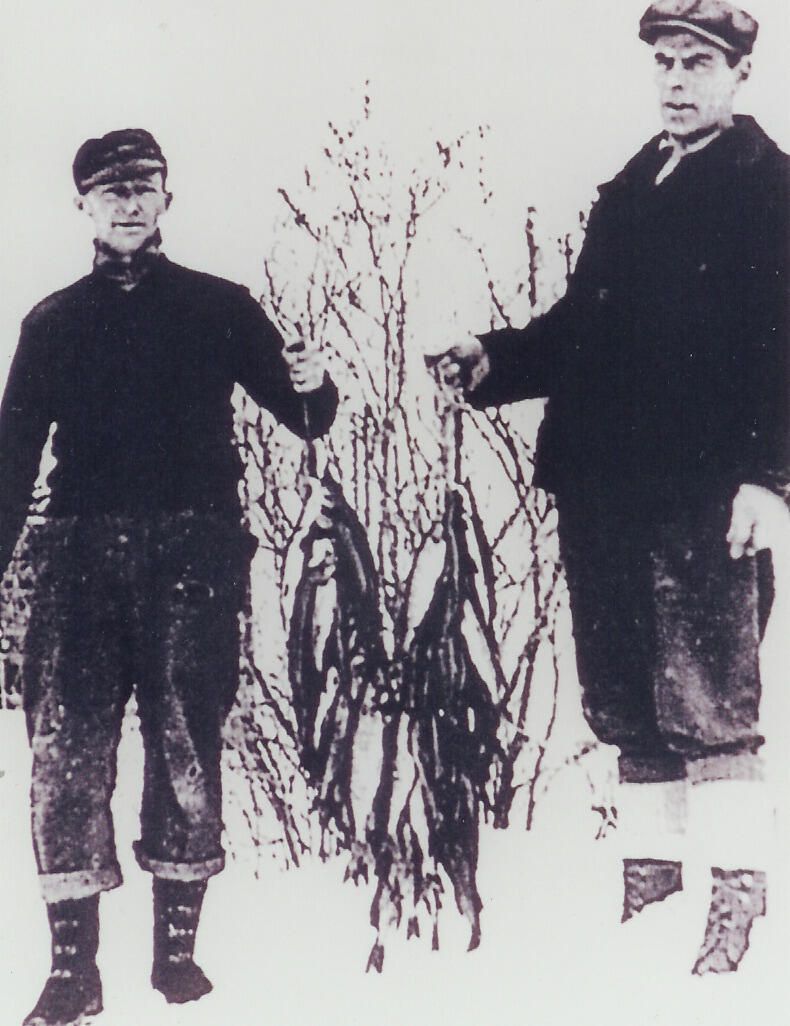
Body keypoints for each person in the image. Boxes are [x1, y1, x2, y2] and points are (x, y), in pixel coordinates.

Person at [434, 0, 788, 973]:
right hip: (602, 488)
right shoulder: (631, 190)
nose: (675, 81)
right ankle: (652, 902)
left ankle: (735, 917)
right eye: (664, 62)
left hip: (703, 491)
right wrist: (494, 358)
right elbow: (584, 334)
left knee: (710, 703)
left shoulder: (768, 190)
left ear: (739, 74)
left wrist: (769, 478)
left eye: (697, 63)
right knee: (629, 705)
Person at [0, 129, 338, 1026]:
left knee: (186, 743)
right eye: (110, 190)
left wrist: (314, 382)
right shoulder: (52, 322)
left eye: (142, 187)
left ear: (165, 200)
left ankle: (176, 956)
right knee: (65, 755)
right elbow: (11, 457)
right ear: (82, 205)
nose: (127, 203)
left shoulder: (218, 306)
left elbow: (306, 414)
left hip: (193, 554)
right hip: (76, 559)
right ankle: (72, 972)